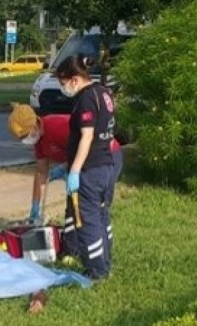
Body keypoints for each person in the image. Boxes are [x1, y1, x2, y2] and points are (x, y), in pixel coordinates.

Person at [56, 54, 121, 280]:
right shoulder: (103, 92)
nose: (63, 88)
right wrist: (67, 165)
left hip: (90, 170)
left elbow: (86, 137)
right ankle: (105, 260)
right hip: (106, 165)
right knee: (102, 216)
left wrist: (74, 171)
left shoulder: (85, 99)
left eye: (63, 84)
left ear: (74, 79)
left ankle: (97, 271)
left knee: (88, 221)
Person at [6, 103, 71, 222]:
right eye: (21, 139)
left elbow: (86, 145)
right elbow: (41, 173)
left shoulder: (58, 127)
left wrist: (65, 166)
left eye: (26, 135)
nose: (25, 140)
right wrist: (35, 207)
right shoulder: (39, 143)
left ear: (35, 125)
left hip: (102, 157)